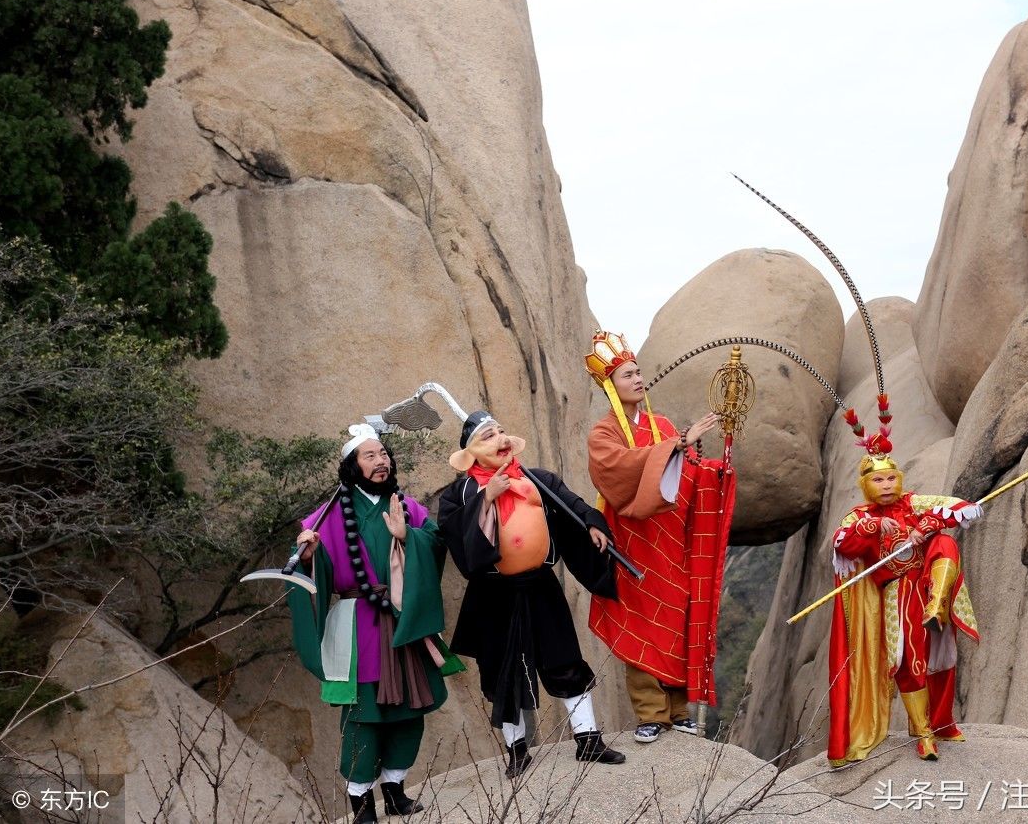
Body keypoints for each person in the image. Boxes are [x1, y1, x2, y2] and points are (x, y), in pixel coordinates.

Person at [437, 408, 626, 776]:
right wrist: (486, 498)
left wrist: (591, 523)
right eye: (489, 435)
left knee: (564, 657)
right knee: (501, 672)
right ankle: (517, 749)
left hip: (540, 584)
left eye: (503, 431)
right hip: (493, 594)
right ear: (471, 452)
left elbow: (570, 502)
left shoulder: (535, 478)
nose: (501, 439)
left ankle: (588, 739)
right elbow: (455, 536)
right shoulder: (459, 494)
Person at [288, 424, 463, 823]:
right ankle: (361, 802)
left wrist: (408, 537)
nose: (381, 461)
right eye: (370, 456)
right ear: (351, 466)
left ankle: (396, 789)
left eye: (384, 454)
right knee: (362, 716)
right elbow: (314, 568)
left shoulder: (408, 506)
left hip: (404, 622)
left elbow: (436, 545)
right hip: (357, 628)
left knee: (408, 710)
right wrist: (312, 556)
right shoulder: (329, 514)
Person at [585, 329, 735, 743]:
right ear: (610, 386)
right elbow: (615, 471)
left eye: (638, 372)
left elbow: (684, 477)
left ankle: (680, 710)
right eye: (626, 375)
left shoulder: (663, 425)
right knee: (642, 626)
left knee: (677, 621)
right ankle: (651, 713)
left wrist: (712, 472)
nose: (637, 379)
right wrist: (676, 445)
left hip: (671, 543)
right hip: (633, 544)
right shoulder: (604, 433)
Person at [826, 401, 982, 765]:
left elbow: (964, 507)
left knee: (944, 543)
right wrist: (876, 527)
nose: (886, 485)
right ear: (865, 484)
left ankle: (938, 604)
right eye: (877, 480)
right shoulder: (859, 516)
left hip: (927, 583)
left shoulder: (915, 502)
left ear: (900, 479)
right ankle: (923, 732)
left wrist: (927, 524)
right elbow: (842, 544)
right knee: (909, 658)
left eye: (891, 478)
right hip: (896, 592)